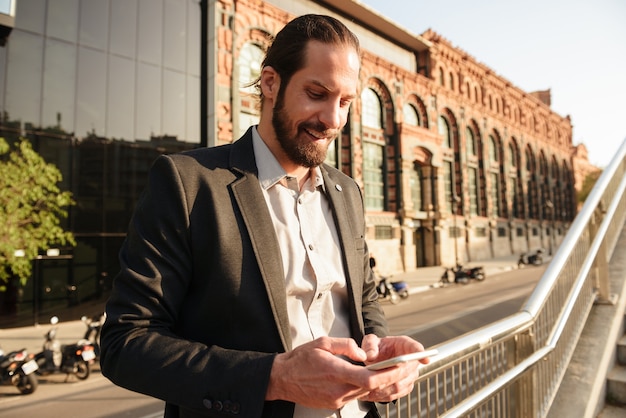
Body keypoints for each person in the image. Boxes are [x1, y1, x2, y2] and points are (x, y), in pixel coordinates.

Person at [100, 14, 430, 418]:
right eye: (316, 93)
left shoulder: (348, 193)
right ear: (271, 83)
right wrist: (274, 377)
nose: (333, 120)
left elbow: (364, 300)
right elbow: (126, 343)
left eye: (345, 102)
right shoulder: (189, 183)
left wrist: (380, 350)